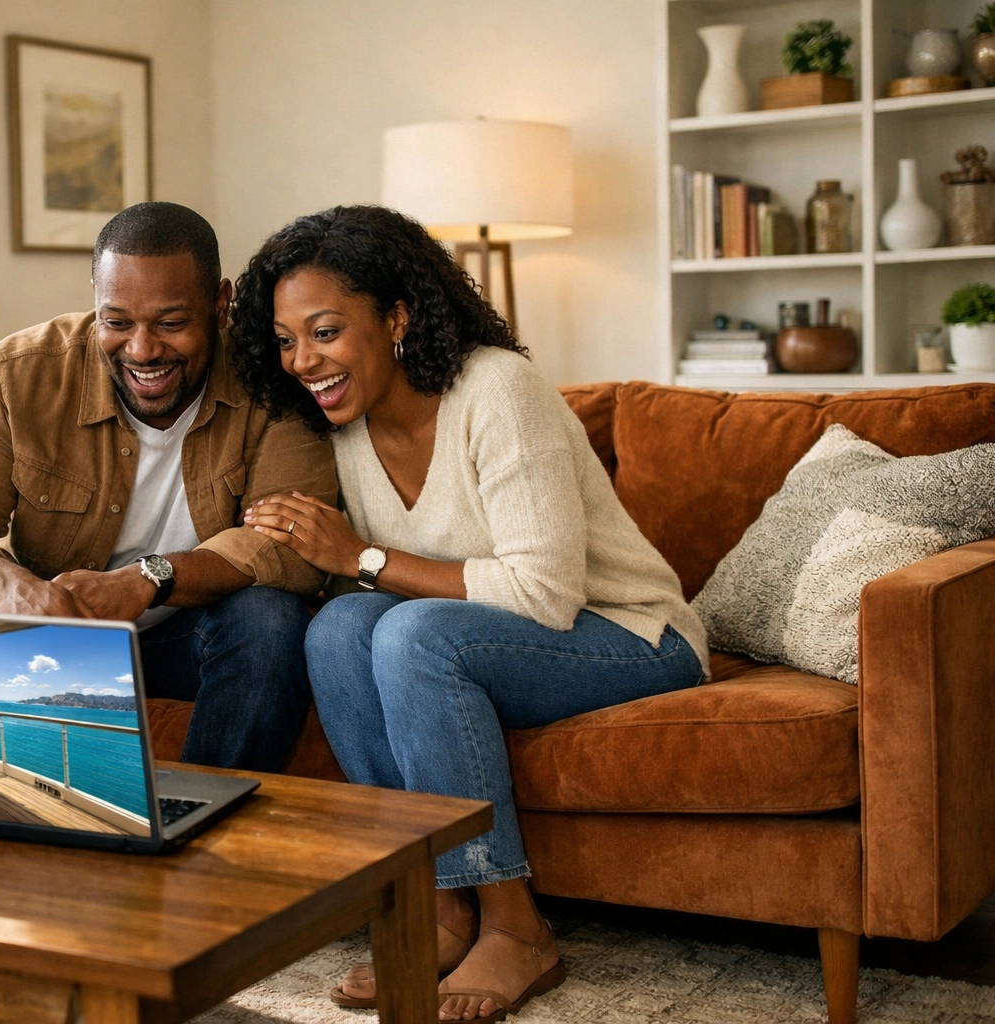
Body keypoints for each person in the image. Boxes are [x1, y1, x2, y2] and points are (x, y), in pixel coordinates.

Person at [230, 205, 709, 1021]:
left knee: (412, 635)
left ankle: (516, 927)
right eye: (286, 341)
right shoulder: (342, 425)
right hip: (500, 644)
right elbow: (362, 598)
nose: (304, 361)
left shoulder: (497, 390)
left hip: (631, 635)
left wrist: (362, 558)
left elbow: (545, 595)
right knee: (340, 629)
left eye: (324, 331)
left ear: (398, 317)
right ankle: (436, 905)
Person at [0, 202, 337, 772]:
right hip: (53, 632)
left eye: (171, 323)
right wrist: (7, 584)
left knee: (270, 618)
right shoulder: (18, 374)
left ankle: (204, 829)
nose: (143, 350)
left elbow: (291, 548)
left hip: (187, 639)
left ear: (220, 304)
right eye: (117, 322)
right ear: (95, 296)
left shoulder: (272, 379)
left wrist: (148, 580)